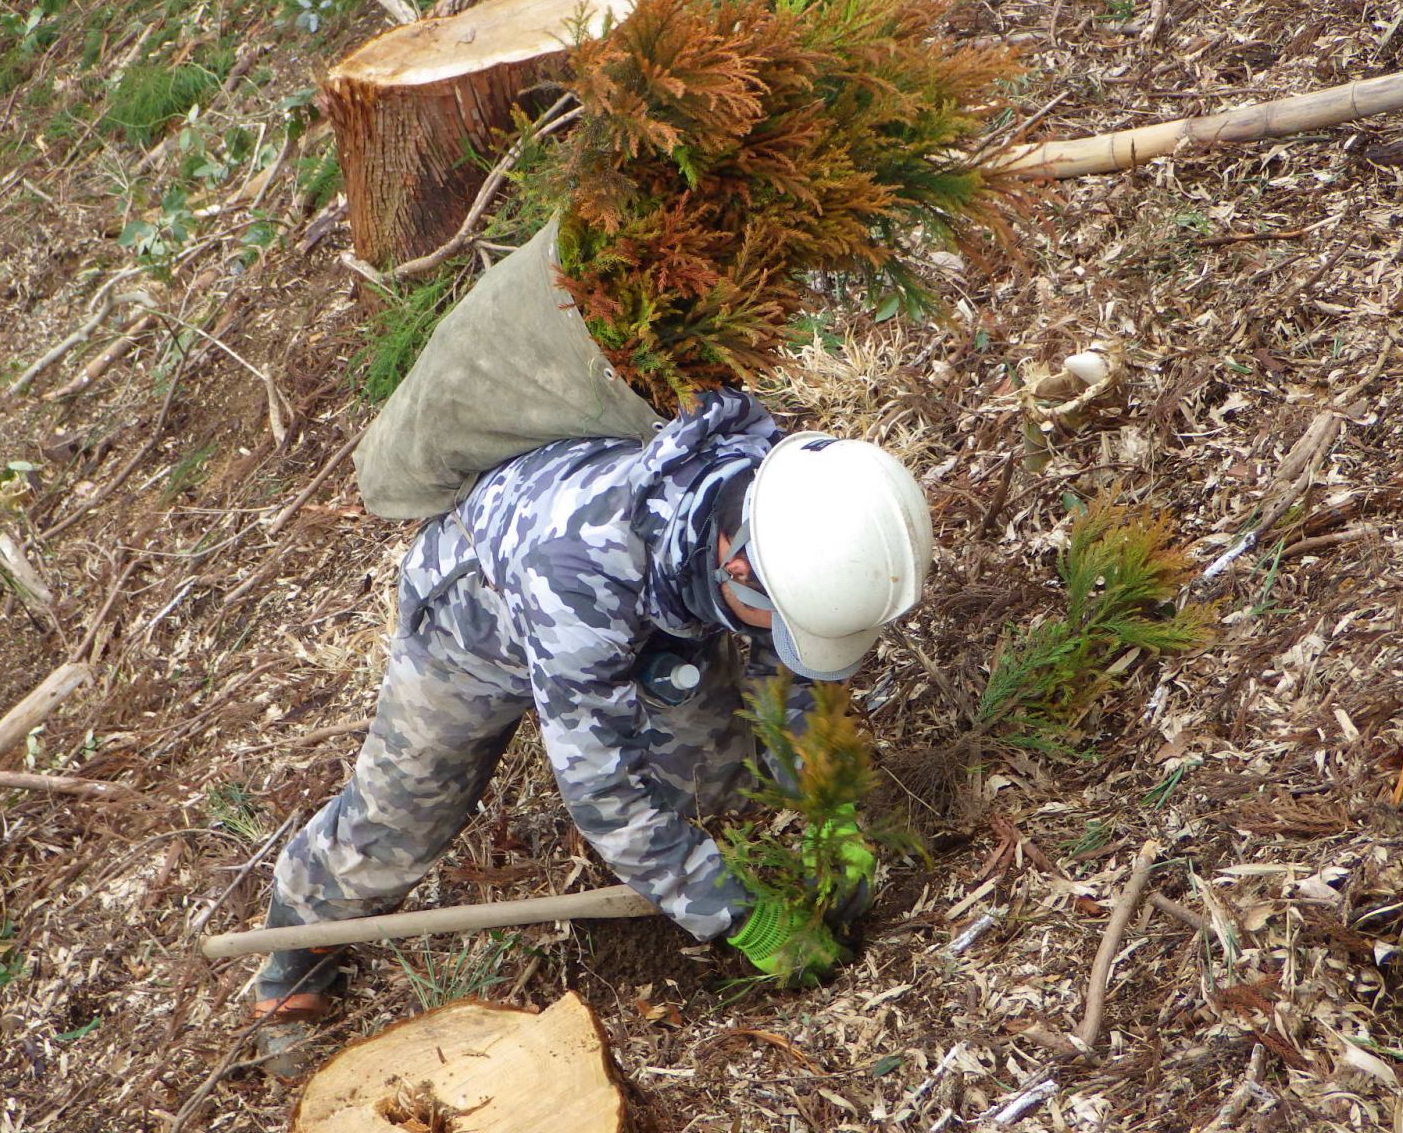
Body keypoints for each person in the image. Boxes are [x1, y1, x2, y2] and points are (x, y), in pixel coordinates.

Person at [250, 385, 930, 1060]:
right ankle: (298, 938)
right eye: (779, 616)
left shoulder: (784, 505)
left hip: (659, 602)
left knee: (719, 775)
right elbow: (603, 793)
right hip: (476, 630)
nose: (784, 631)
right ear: (739, 565)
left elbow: (789, 673)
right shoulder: (579, 576)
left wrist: (825, 805)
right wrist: (738, 917)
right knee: (402, 821)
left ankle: (724, 858)